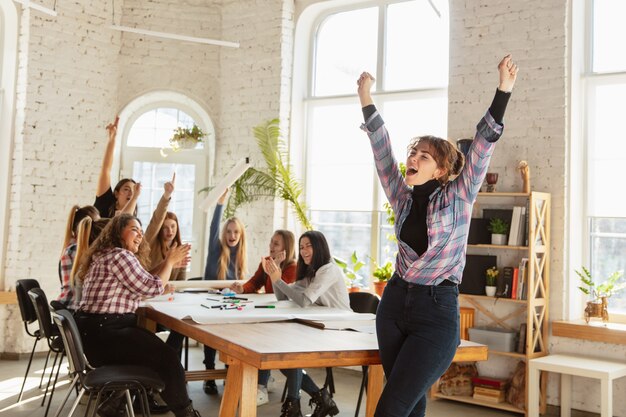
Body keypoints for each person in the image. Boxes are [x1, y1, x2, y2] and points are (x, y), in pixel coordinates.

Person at [357, 54, 518, 417]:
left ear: (442, 170)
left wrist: (503, 89)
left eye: (424, 156)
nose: (413, 157)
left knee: (392, 407)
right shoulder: (401, 196)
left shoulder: (458, 196)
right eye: (413, 152)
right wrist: (366, 100)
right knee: (411, 404)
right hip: (394, 305)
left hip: (436, 312)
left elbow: (481, 147)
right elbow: (382, 151)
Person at [73, 214, 200, 417]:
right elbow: (153, 287)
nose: (140, 234)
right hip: (107, 336)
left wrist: (167, 263)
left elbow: (146, 279)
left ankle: (115, 403)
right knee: (168, 357)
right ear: (117, 232)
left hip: (95, 336)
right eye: (134, 229)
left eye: (141, 231)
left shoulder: (105, 255)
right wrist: (168, 263)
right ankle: (187, 414)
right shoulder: (120, 256)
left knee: (149, 350)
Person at [264, 230, 350, 417]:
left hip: (341, 330)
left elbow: (304, 301)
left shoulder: (328, 269)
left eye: (308, 246)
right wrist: (275, 274)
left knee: (291, 350)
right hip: (321, 325)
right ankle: (318, 399)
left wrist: (278, 280)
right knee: (284, 359)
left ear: (319, 247)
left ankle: (294, 405)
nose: (303, 251)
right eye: (301, 247)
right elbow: (283, 297)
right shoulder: (311, 271)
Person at [229, 229, 297, 405]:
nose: (271, 247)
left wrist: (277, 269)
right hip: (270, 313)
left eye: (276, 244)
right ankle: (262, 380)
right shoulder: (266, 262)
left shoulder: (293, 268)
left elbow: (285, 294)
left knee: (263, 340)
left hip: (286, 319)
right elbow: (255, 282)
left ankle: (261, 385)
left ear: (286, 248)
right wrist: (243, 288)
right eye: (271, 242)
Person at [199, 188, 248, 395]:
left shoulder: (242, 257)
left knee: (233, 335)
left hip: (230, 305)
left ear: (241, 235)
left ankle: (230, 373)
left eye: (236, 232)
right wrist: (220, 204)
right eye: (228, 231)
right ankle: (209, 375)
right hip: (210, 303)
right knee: (211, 336)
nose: (232, 235)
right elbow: (213, 228)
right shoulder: (216, 250)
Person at [56, 205, 100, 308]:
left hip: (68, 306)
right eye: (96, 224)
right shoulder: (75, 250)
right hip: (73, 307)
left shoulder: (71, 247)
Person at [94, 116, 138, 218]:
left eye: (134, 190)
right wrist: (112, 139)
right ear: (117, 194)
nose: (131, 193)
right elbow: (106, 169)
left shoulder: (132, 218)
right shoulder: (105, 201)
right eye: (126, 189)